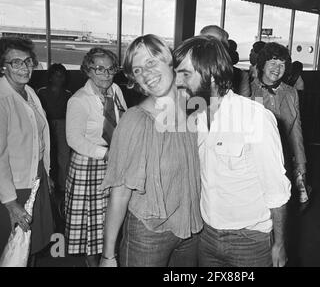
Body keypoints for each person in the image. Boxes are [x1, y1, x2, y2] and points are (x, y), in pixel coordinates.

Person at [174, 35, 292, 267]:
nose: (178, 81)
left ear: (213, 75)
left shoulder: (254, 118)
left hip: (248, 241)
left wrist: (279, 244)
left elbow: (277, 191)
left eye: (186, 74)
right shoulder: (193, 117)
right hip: (207, 235)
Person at [99, 34, 202, 267]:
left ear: (169, 61)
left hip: (192, 230)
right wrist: (108, 255)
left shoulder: (194, 111)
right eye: (137, 70)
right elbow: (120, 193)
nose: (145, 74)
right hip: (148, 235)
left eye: (151, 62)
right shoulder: (135, 121)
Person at [0, 37, 54, 266]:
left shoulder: (29, 92)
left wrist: (46, 173)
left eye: (28, 61)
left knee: (28, 247)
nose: (25, 68)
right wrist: (10, 203)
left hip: (34, 181)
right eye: (16, 62)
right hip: (11, 189)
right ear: (1, 66)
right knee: (6, 251)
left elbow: (38, 139)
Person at [65, 47, 127, 267]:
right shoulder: (79, 100)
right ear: (87, 71)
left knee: (110, 219)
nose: (106, 74)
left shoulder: (116, 90)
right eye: (99, 69)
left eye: (111, 69)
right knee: (91, 229)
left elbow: (123, 123)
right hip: (88, 162)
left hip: (113, 159)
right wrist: (106, 153)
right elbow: (73, 139)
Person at [251, 42, 309, 205]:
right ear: (262, 65)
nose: (277, 68)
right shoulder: (248, 91)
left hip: (283, 161)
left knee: (280, 205)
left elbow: (296, 131)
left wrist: (301, 163)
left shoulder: (291, 93)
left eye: (282, 64)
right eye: (273, 63)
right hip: (255, 163)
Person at [37, 63, 72, 219]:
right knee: (47, 155)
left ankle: (64, 186)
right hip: (47, 124)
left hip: (63, 124)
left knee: (64, 156)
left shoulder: (67, 94)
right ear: (51, 77)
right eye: (57, 75)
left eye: (62, 75)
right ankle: (47, 184)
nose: (60, 78)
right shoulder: (41, 93)